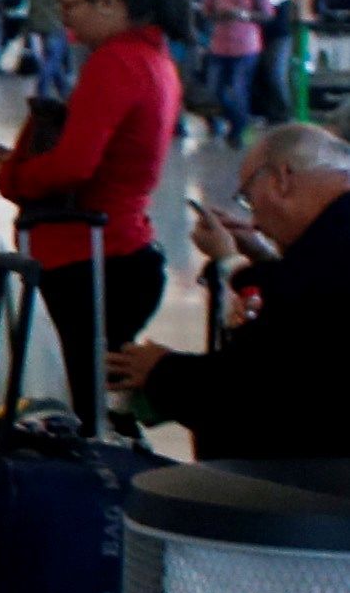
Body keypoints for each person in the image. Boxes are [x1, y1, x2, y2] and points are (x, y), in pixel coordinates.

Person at [0, 0, 183, 417]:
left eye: (69, 6)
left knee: (76, 415)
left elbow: (73, 167)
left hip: (90, 261)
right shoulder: (151, 58)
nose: (65, 20)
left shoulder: (117, 63)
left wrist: (5, 179)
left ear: (109, 2)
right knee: (91, 405)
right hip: (121, 250)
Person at [107, 120, 350, 457]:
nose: (254, 221)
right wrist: (258, 258)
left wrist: (160, 369)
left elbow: (250, 390)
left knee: (144, 491)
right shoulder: (332, 235)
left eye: (248, 198)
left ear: (281, 178)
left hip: (314, 473)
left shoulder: (328, 251)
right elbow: (302, 309)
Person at [200, 0, 283, 139]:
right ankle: (236, 119)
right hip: (219, 44)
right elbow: (207, 10)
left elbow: (267, 14)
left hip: (246, 45)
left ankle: (238, 128)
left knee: (239, 89)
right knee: (214, 90)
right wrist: (218, 15)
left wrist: (244, 15)